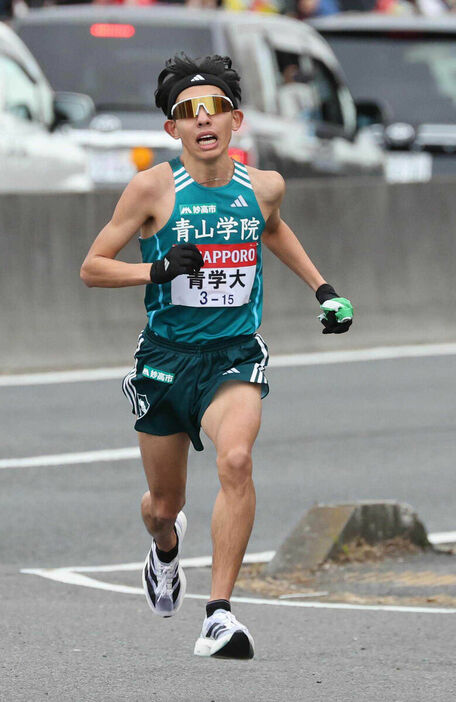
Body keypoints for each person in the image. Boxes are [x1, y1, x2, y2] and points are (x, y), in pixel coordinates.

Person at [80, 52, 353, 660]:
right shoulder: (153, 188)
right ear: (172, 129)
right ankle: (164, 548)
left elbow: (272, 227)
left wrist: (323, 289)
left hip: (234, 354)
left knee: (236, 461)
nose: (204, 120)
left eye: (217, 109)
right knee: (163, 504)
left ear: (237, 122)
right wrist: (156, 267)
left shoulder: (264, 186)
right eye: (188, 112)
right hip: (165, 360)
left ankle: (220, 615)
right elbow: (92, 267)